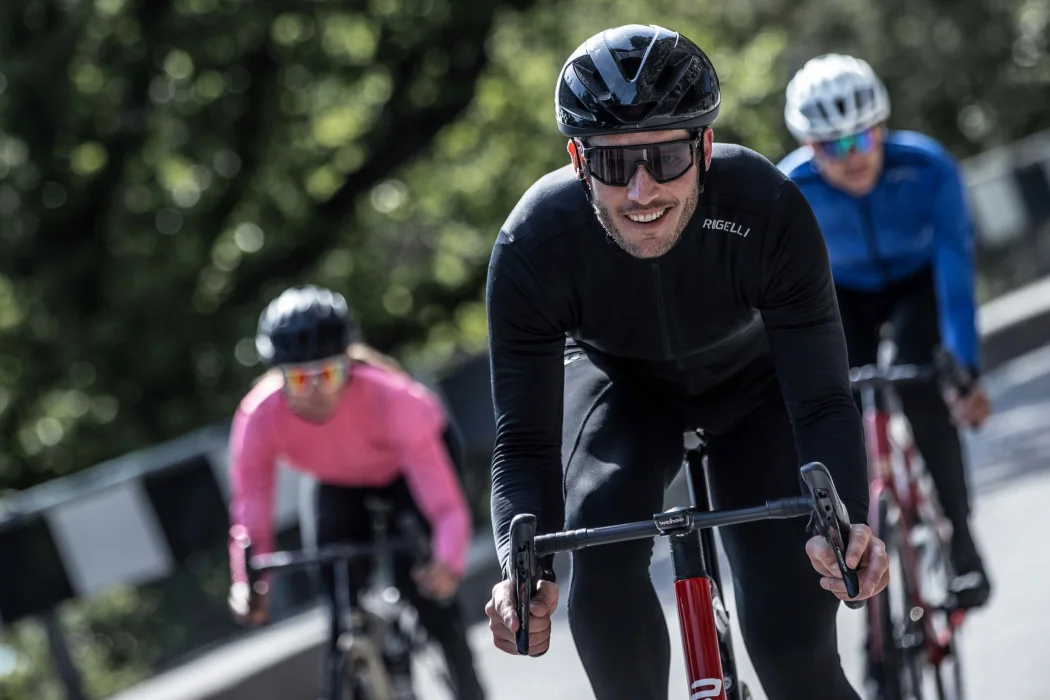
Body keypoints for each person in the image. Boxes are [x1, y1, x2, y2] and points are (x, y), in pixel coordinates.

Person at [482, 24, 890, 700]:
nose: (642, 192)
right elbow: (523, 442)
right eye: (614, 164)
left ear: (704, 147)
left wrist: (847, 527)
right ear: (578, 160)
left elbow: (822, 399)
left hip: (754, 391)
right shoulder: (534, 242)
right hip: (623, 391)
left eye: (667, 158)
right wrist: (522, 575)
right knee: (598, 548)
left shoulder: (766, 207)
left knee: (798, 664)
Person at [778, 53, 993, 613]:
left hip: (916, 284)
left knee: (920, 391)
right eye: (833, 146)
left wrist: (965, 369)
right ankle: (850, 543)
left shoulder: (927, 166)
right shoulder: (789, 186)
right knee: (836, 404)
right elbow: (776, 297)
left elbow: (955, 272)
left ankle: (963, 541)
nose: (854, 156)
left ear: (883, 126)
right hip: (843, 293)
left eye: (864, 137)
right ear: (808, 146)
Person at [226, 285, 486, 700]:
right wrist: (250, 582)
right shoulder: (259, 416)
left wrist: (446, 561)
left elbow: (445, 509)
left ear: (348, 364)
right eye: (299, 379)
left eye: (328, 374)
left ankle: (470, 688)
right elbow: (251, 504)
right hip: (338, 480)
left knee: (426, 594)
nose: (316, 392)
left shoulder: (393, 399)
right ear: (278, 376)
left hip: (409, 475)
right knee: (339, 608)